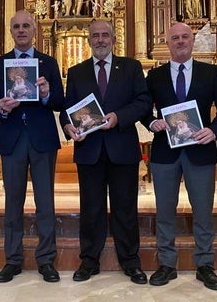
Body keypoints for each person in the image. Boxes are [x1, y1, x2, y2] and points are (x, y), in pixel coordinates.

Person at [141, 22, 217, 291]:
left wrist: (213, 131)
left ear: (193, 41)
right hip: (164, 153)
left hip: (200, 151)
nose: (180, 41)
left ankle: (205, 264)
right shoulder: (154, 77)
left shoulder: (210, 72)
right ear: (167, 43)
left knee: (203, 211)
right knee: (165, 211)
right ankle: (167, 264)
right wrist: (151, 122)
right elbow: (143, 107)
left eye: (185, 37)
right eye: (175, 38)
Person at [61, 20, 151, 284]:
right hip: (89, 150)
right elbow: (68, 109)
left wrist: (118, 117)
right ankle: (89, 260)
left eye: (105, 35)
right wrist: (67, 124)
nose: (100, 39)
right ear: (89, 40)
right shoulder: (76, 72)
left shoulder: (131, 67)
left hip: (122, 147)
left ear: (114, 39)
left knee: (126, 208)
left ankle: (130, 261)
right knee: (91, 208)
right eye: (95, 36)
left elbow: (143, 102)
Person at [0, 10, 64, 283]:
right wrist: (2, 109)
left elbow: (59, 101)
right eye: (16, 26)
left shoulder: (48, 62)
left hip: (41, 138)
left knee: (45, 202)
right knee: (13, 202)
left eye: (26, 25)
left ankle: (46, 260)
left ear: (34, 30)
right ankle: (13, 259)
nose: (21, 30)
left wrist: (45, 95)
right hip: (13, 137)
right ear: (11, 31)